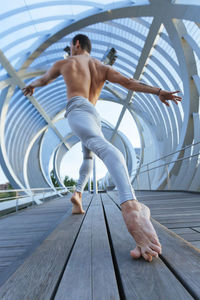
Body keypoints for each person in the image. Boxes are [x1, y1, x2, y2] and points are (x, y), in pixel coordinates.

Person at [23, 34, 182, 262]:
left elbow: (45, 79)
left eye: (71, 45)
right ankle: (78, 194)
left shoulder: (66, 63)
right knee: (89, 154)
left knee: (99, 146)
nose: (70, 47)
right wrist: (158, 92)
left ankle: (130, 206)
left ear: (76, 44)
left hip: (77, 110)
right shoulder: (101, 66)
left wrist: (32, 85)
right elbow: (129, 82)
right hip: (93, 113)